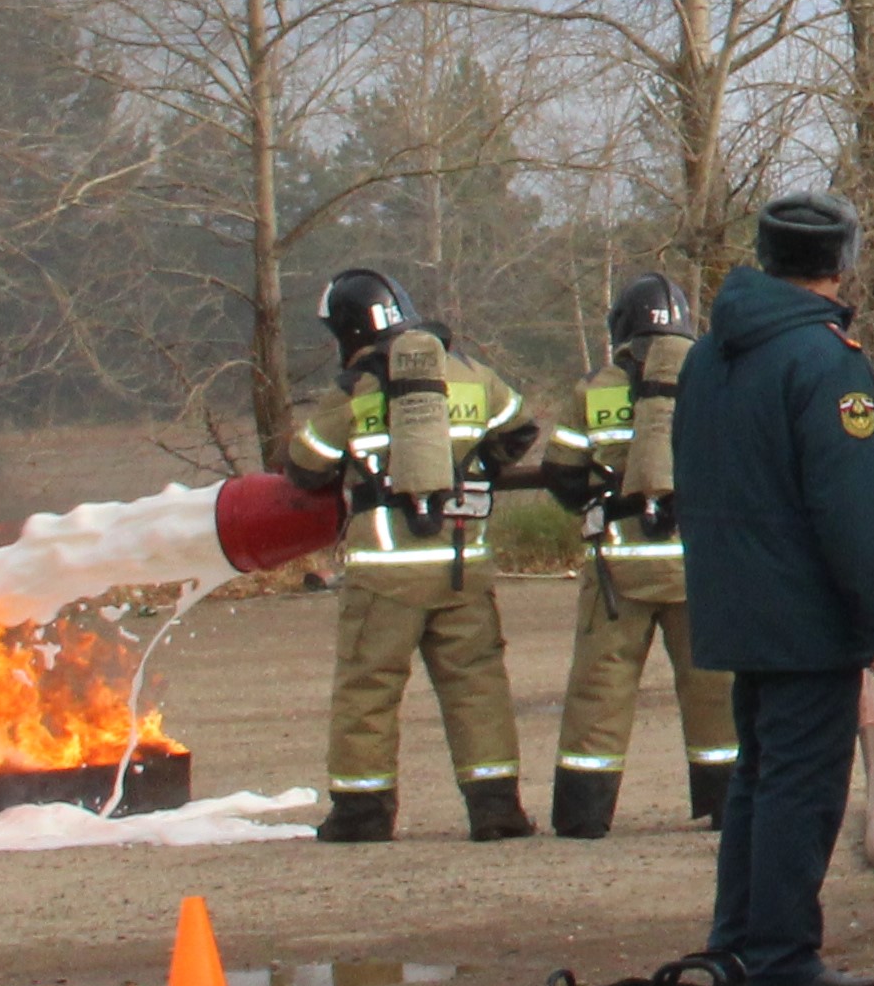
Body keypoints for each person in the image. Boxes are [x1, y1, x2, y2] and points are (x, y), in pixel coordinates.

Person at [677, 190, 874, 986]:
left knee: (758, 777)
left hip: (731, 596)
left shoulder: (708, 354)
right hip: (805, 607)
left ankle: (737, 940)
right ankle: (779, 953)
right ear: (841, 261)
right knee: (803, 785)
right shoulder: (824, 358)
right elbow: (848, 506)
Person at [298, 267, 547, 845]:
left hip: (385, 572)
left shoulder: (355, 389)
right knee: (477, 684)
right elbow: (518, 426)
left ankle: (361, 814)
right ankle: (496, 811)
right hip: (462, 561)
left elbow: (305, 461)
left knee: (369, 688)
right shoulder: (471, 375)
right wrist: (475, 463)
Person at [542, 273, 739, 841]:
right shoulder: (716, 379)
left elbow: (560, 471)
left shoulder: (597, 389)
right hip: (699, 565)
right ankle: (725, 802)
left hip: (619, 568)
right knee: (713, 685)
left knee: (600, 689)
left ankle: (584, 813)